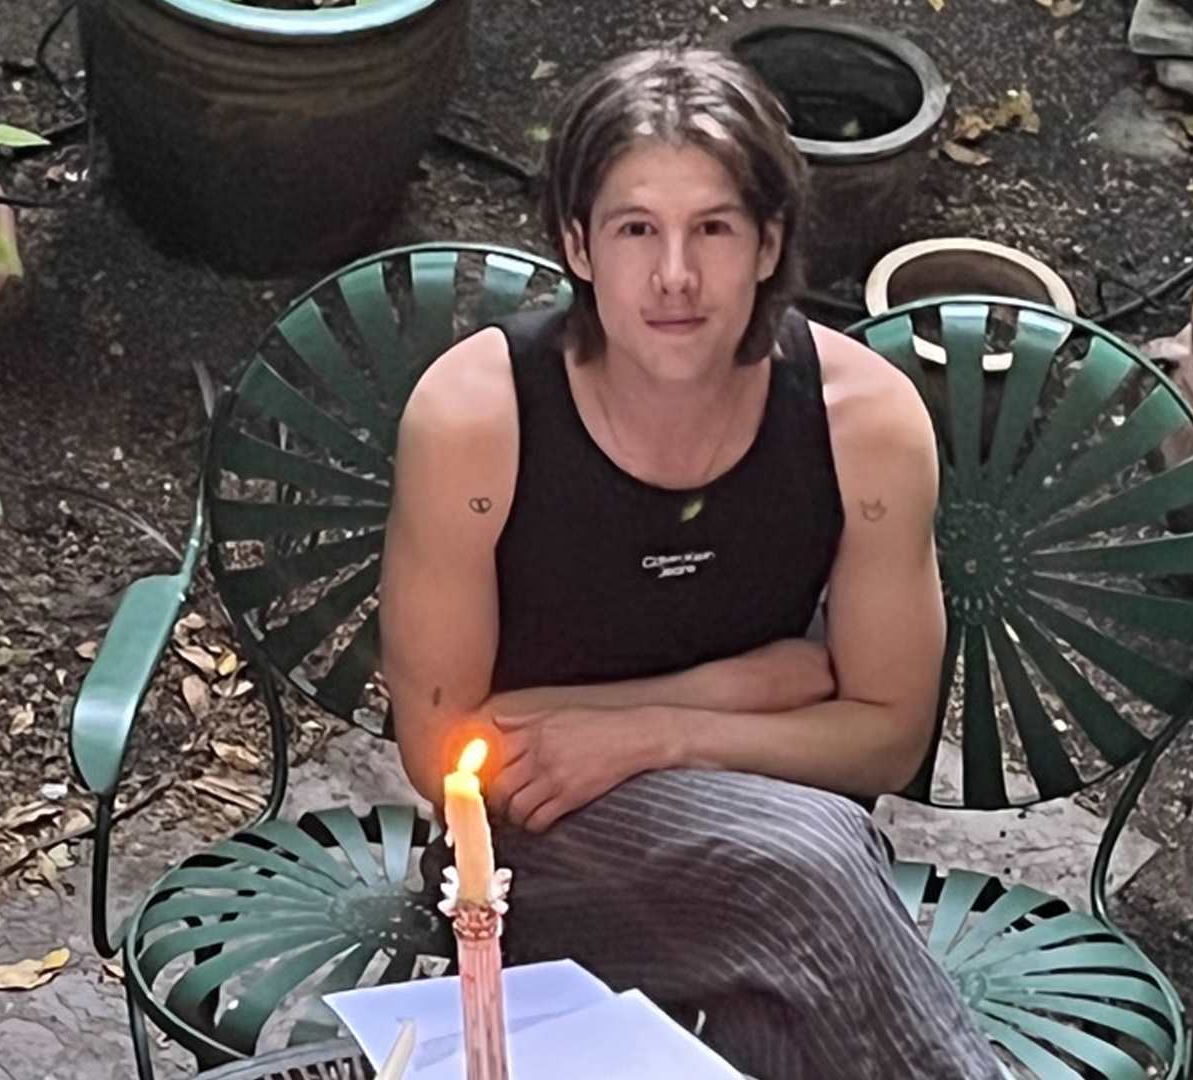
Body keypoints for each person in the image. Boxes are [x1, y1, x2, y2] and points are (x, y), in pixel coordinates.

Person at [377, 46, 1003, 1080]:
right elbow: (450, 752)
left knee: (780, 989)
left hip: (781, 859)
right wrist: (760, 686)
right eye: (636, 229)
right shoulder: (477, 419)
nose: (675, 275)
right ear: (577, 243)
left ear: (769, 243)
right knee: (811, 870)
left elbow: (887, 741)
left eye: (712, 227)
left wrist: (654, 731)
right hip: (525, 859)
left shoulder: (865, 424)